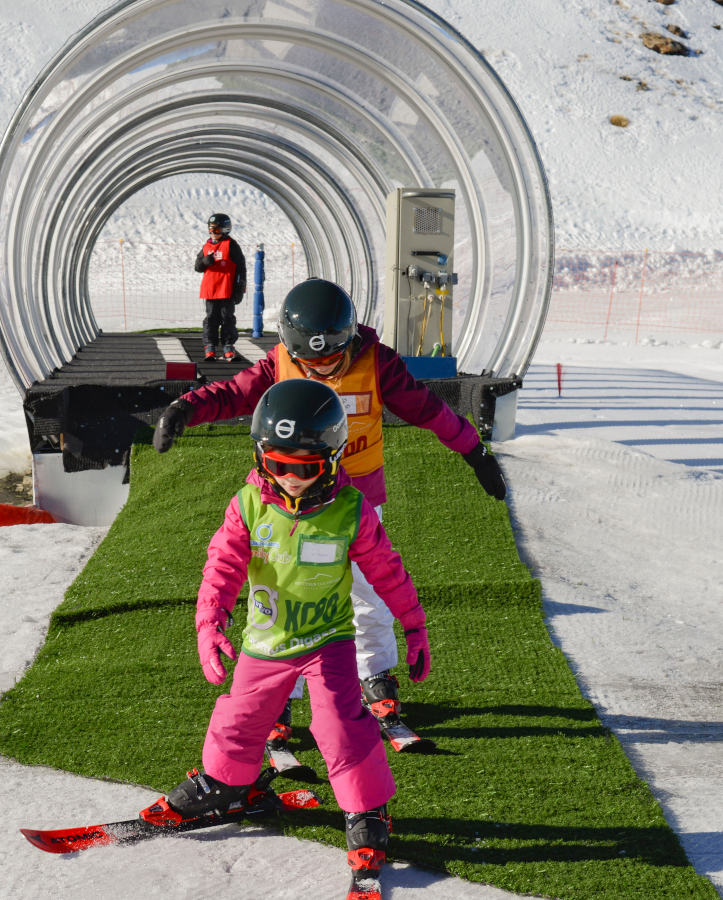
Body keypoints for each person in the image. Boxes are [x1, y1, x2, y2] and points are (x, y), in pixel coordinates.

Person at [152, 278, 505, 750]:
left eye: (330, 359)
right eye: (309, 362)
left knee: (369, 592)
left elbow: (427, 409)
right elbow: (232, 394)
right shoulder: (277, 364)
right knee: (280, 595)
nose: (319, 368)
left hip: (356, 502)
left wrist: (473, 450)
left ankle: (377, 678)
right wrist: (183, 408)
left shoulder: (376, 364)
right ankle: (283, 694)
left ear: (349, 341)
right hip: (291, 503)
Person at [144, 378, 430, 899]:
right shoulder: (250, 504)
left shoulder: (351, 511)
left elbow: (388, 571)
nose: (291, 479)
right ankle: (228, 784)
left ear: (333, 458)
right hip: (265, 643)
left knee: (340, 726)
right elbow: (222, 566)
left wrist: (414, 625)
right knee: (238, 719)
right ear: (260, 456)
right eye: (278, 465)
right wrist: (210, 623)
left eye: (306, 467)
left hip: (327, 641)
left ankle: (368, 813)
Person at [194, 212, 246, 362]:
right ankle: (209, 345)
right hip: (210, 290)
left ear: (225, 230)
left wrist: (240, 286)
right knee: (211, 319)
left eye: (216, 230)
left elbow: (241, 267)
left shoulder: (231, 245)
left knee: (227, 318)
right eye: (210, 229)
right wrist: (204, 261)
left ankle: (228, 346)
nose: (213, 233)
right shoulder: (206, 245)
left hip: (226, 289)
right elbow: (197, 266)